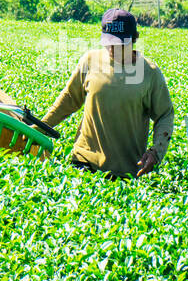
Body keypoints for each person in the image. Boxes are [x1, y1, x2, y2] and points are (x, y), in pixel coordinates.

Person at [41, 9, 174, 179]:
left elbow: (165, 115)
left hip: (126, 171)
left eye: (120, 43)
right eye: (109, 41)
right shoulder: (90, 60)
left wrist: (156, 152)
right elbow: (69, 99)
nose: (113, 48)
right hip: (83, 162)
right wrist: (41, 127)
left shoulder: (149, 73)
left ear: (133, 39)